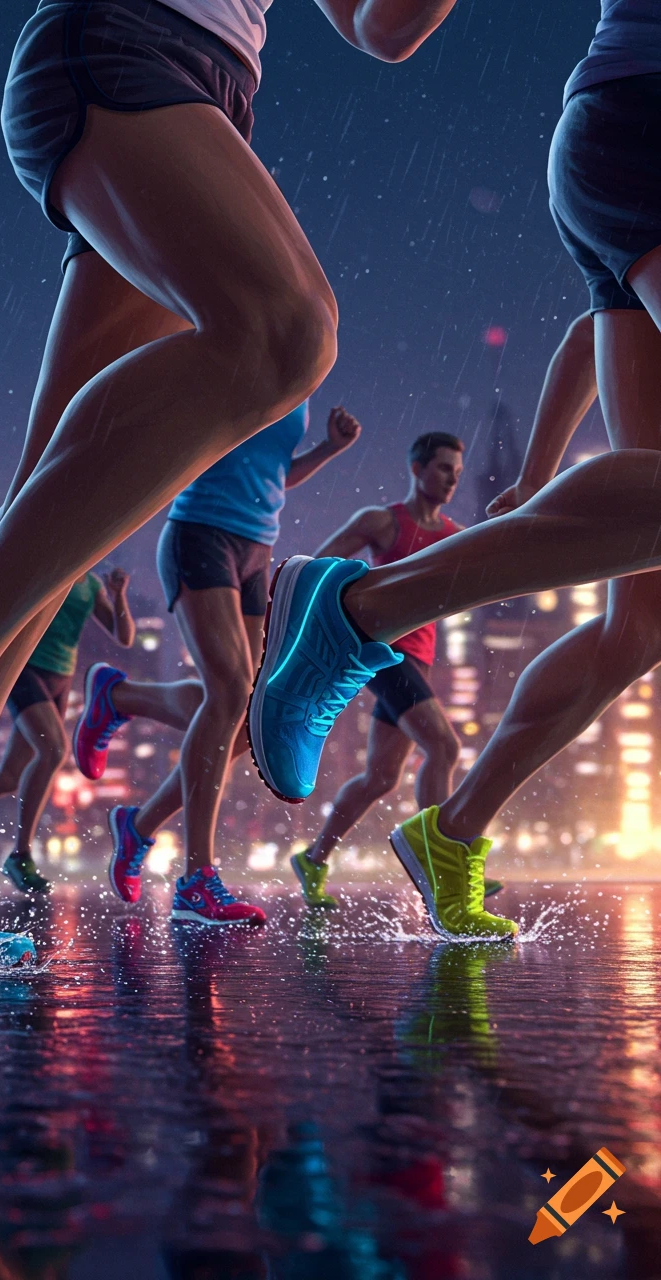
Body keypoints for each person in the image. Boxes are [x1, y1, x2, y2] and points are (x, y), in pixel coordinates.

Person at [0, 0, 460, 935]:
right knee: (286, 333)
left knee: (47, 519)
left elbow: (382, 28)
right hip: (121, 49)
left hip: (207, 93)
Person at [248, 0, 661, 941]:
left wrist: (543, 464)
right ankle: (358, 611)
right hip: (642, 119)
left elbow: (606, 318)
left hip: (614, 132)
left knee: (641, 622)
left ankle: (455, 830)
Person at [73, 402, 361, 924]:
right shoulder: (239, 357)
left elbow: (272, 472)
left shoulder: (299, 379)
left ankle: (133, 782)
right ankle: (195, 880)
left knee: (248, 716)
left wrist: (328, 449)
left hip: (258, 548)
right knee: (229, 695)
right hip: (201, 532)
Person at [286, 430, 502, 909]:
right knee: (444, 746)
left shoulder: (453, 535)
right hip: (382, 652)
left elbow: (498, 563)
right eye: (444, 468)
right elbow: (319, 565)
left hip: (418, 661)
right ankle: (441, 858)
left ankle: (314, 859)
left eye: (458, 473)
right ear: (417, 468)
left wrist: (507, 526)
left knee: (382, 777)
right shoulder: (383, 522)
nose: (452, 479)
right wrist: (358, 602)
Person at [0, 567, 135, 894]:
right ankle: (20, 854)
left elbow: (125, 637)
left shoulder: (90, 584)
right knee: (53, 751)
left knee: (8, 777)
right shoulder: (51, 562)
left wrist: (118, 595)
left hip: (60, 678)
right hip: (25, 669)